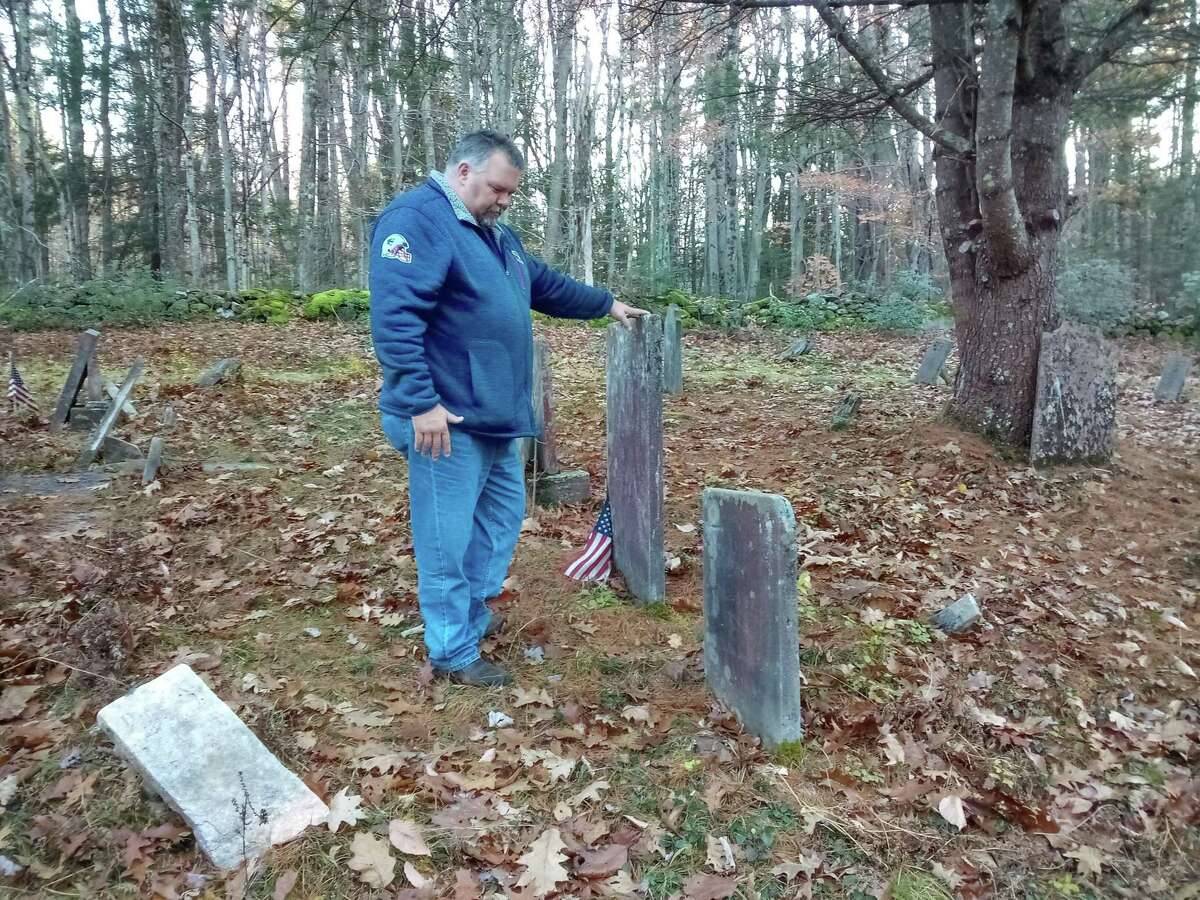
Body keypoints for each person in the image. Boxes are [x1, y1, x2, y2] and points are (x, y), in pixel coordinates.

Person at [369, 130, 648, 687]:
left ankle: (468, 614)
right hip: (442, 420)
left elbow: (545, 285)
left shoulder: (498, 237)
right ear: (464, 171)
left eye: (511, 194)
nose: (503, 200)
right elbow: (396, 319)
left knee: (498, 525)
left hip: (496, 415)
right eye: (497, 189)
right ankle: (451, 650)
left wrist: (607, 304)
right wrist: (420, 402)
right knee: (446, 539)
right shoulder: (416, 220)